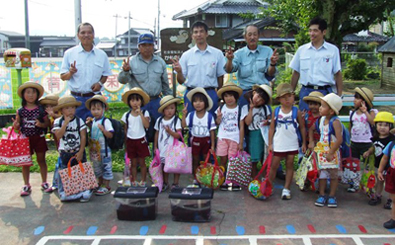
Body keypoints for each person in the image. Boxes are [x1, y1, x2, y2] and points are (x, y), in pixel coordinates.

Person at [60, 22, 112, 121]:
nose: (86, 35)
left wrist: (100, 83)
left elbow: (105, 74)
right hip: (76, 99)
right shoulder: (69, 53)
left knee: (96, 128)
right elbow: (63, 77)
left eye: (89, 32)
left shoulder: (101, 55)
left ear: (93, 35)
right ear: (78, 35)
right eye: (83, 32)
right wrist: (70, 73)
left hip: (95, 99)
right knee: (76, 128)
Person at [172, 21, 226, 115]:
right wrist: (179, 72)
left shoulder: (217, 54)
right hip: (192, 94)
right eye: (196, 32)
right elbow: (181, 81)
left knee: (211, 123)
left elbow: (220, 76)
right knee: (191, 123)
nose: (199, 34)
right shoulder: (186, 55)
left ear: (206, 33)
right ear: (192, 35)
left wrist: (219, 96)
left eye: (201, 31)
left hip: (210, 93)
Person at [289, 17, 343, 112]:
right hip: (306, 91)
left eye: (315, 31)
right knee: (305, 120)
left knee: (325, 122)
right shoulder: (302, 50)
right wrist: (291, 93)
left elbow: (338, 73)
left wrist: (339, 95)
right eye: (310, 31)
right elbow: (296, 73)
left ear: (324, 32)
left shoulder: (333, 50)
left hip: (325, 92)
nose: (312, 34)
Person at [118, 33, 172, 123]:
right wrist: (125, 71)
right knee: (139, 128)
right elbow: (122, 80)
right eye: (144, 45)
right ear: (139, 47)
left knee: (157, 127)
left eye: (150, 45)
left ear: (153, 46)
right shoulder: (131, 61)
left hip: (156, 102)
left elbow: (165, 85)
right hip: (139, 103)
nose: (147, 48)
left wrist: (170, 102)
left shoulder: (160, 62)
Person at [225, 24, 279, 107]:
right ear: (245, 37)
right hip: (245, 93)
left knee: (264, 118)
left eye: (255, 34)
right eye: (249, 35)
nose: (252, 37)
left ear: (258, 36)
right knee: (244, 119)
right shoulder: (238, 54)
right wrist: (229, 60)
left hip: (262, 92)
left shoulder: (267, 51)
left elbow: (271, 73)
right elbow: (229, 70)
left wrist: (272, 63)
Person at [12, 81, 52, 196]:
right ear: (23, 95)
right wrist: (16, 126)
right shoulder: (20, 111)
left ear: (37, 95)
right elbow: (17, 126)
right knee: (25, 162)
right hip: (25, 140)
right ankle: (26, 184)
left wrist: (42, 125)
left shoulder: (41, 110)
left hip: (38, 138)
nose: (31, 95)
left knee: (41, 160)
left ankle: (44, 182)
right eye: (28, 92)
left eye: (33, 92)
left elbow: (47, 124)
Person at [268, 83, 306, 200]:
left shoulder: (296, 111)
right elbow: (272, 128)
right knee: (274, 165)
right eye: (284, 97)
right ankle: (269, 185)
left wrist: (304, 143)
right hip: (279, 142)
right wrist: (270, 143)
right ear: (279, 99)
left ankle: (287, 188)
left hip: (292, 142)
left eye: (289, 96)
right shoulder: (276, 111)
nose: (287, 99)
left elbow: (302, 128)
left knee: (290, 164)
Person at [52, 95, 92, 202]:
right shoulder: (58, 122)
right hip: (65, 152)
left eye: (72, 107)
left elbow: (83, 136)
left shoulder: (79, 121)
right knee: (67, 171)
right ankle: (69, 193)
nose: (70, 110)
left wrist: (81, 151)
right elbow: (58, 135)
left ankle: (84, 192)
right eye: (67, 108)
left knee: (81, 170)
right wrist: (65, 124)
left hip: (77, 150)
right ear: (61, 110)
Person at [308, 93, 343, 208]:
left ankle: (332, 195)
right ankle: (322, 194)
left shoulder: (335, 122)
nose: (319, 108)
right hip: (322, 152)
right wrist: (311, 141)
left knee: (333, 174)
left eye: (323, 106)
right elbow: (311, 129)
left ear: (331, 111)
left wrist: (331, 152)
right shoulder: (321, 120)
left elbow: (339, 139)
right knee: (322, 174)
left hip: (332, 152)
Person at [215, 82, 247, 191]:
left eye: (231, 95)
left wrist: (241, 142)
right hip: (222, 137)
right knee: (222, 158)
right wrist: (218, 118)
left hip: (234, 137)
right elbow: (217, 123)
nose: (229, 98)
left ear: (236, 97)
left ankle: (233, 181)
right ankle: (222, 179)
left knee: (233, 160)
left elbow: (242, 126)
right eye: (226, 96)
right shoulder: (221, 108)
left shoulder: (240, 109)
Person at [181, 88, 216, 186]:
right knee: (195, 159)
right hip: (194, 140)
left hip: (206, 141)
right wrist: (184, 115)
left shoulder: (209, 116)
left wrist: (213, 146)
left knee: (206, 159)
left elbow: (212, 132)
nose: (198, 103)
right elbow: (184, 125)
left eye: (200, 101)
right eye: (195, 101)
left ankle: (206, 177)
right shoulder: (191, 115)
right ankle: (195, 178)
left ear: (205, 103)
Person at [363, 112, 395, 207]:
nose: (382, 127)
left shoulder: (391, 139)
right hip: (378, 164)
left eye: (386, 125)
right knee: (379, 181)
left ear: (390, 127)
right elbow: (374, 147)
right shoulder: (375, 137)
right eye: (380, 125)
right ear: (376, 125)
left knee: (390, 183)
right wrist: (368, 152)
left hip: (389, 166)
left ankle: (390, 199)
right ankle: (377, 195)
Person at [348, 87, 377, 193]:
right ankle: (354, 183)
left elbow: (372, 122)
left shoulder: (371, 112)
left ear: (364, 101)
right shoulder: (352, 113)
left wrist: (365, 112)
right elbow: (350, 126)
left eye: (357, 98)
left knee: (367, 164)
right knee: (354, 164)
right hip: (355, 142)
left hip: (366, 142)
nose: (354, 100)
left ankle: (367, 184)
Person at [121, 88, 151, 187]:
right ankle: (133, 180)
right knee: (133, 163)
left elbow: (146, 125)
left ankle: (143, 180)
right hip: (131, 140)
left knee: (142, 162)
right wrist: (125, 142)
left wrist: (140, 114)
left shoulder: (145, 112)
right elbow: (125, 129)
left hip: (141, 139)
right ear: (129, 102)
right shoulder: (126, 115)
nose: (135, 103)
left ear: (141, 101)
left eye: (137, 100)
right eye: (132, 100)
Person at [85, 95, 114, 196]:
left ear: (103, 109)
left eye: (98, 109)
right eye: (93, 109)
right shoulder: (93, 121)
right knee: (97, 167)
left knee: (106, 167)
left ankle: (107, 186)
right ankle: (100, 183)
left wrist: (103, 130)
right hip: (95, 150)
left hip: (104, 150)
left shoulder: (106, 121)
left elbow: (110, 135)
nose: (96, 111)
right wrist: (89, 124)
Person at [154, 95, 182, 191]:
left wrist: (170, 132)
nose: (169, 111)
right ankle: (165, 182)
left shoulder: (176, 120)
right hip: (162, 148)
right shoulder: (159, 121)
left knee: (176, 166)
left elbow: (179, 135)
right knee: (164, 166)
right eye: (167, 109)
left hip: (174, 149)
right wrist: (155, 147)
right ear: (163, 110)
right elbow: (156, 134)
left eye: (172, 108)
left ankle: (176, 183)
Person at [243, 84, 272, 177]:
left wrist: (268, 121)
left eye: (262, 100)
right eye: (258, 96)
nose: (258, 100)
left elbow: (270, 119)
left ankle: (264, 178)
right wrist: (251, 109)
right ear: (254, 93)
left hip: (264, 135)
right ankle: (254, 179)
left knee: (264, 158)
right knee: (253, 159)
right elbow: (247, 122)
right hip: (253, 135)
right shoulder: (246, 108)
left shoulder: (265, 108)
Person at [39, 94, 61, 190]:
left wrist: (53, 115)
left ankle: (57, 183)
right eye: (46, 106)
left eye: (51, 106)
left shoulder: (59, 116)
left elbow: (61, 118)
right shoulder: (49, 118)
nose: (49, 108)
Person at [378, 135, 395, 229]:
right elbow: (384, 158)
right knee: (394, 198)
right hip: (392, 172)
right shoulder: (392, 144)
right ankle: (393, 219)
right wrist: (380, 170)